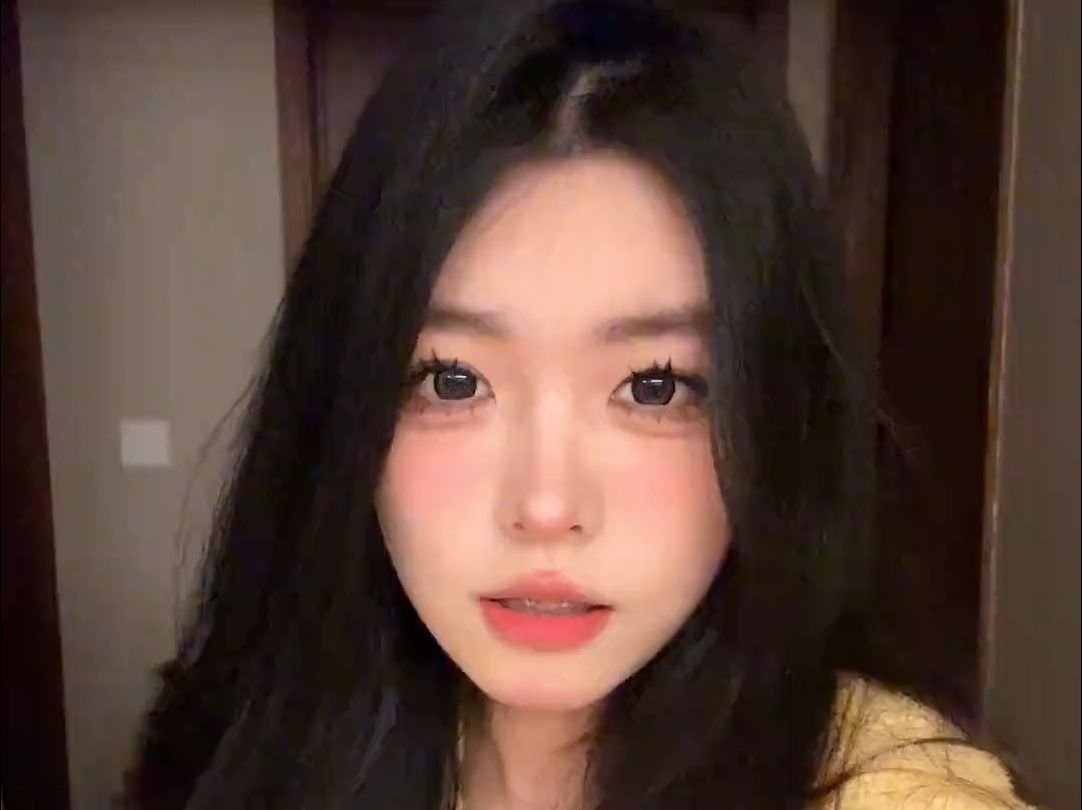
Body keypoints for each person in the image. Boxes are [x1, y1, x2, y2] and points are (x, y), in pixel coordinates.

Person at [126, 1, 1036, 808]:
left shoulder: (896, 793)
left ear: (775, 413)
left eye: (655, 385)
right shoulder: (253, 746)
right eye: (453, 380)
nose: (546, 505)